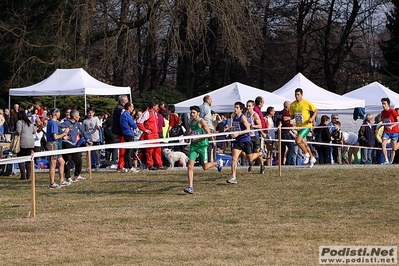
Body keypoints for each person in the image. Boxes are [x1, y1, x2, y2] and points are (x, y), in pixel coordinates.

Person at [183, 105, 223, 194]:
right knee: (190, 166)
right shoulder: (190, 122)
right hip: (193, 146)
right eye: (191, 112)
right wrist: (187, 137)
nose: (192, 114)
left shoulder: (202, 121)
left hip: (202, 146)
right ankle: (190, 187)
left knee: (205, 167)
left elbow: (208, 133)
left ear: (198, 113)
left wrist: (199, 138)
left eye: (193, 112)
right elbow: (189, 132)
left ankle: (217, 163)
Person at [227, 102, 263, 184]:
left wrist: (238, 133)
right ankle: (233, 177)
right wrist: (232, 133)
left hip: (246, 140)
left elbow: (248, 129)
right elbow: (235, 127)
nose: (235, 109)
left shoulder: (243, 118)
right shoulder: (234, 117)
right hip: (238, 141)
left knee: (250, 158)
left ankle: (260, 153)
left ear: (241, 109)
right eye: (235, 107)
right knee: (234, 158)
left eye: (237, 107)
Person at [59, 109, 93, 182]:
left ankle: (77, 175)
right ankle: (68, 177)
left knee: (79, 160)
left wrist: (88, 140)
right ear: (74, 116)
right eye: (78, 115)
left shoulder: (78, 124)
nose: (79, 116)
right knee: (67, 160)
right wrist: (63, 135)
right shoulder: (66, 123)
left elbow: (83, 132)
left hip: (74, 145)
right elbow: (58, 127)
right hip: (67, 143)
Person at [289, 88, 318, 167]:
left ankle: (306, 154)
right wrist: (290, 120)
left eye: (298, 94)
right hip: (299, 127)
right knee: (304, 144)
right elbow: (292, 116)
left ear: (302, 95)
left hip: (306, 126)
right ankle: (312, 158)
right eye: (295, 95)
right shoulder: (293, 105)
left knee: (298, 141)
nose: (297, 96)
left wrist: (312, 118)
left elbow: (316, 110)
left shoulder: (306, 103)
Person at [137, 101, 167, 170]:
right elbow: (139, 122)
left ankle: (159, 164)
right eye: (156, 106)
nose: (157, 107)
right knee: (149, 150)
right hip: (150, 135)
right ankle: (150, 165)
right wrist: (145, 130)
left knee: (158, 150)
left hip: (155, 134)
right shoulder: (146, 113)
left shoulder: (155, 113)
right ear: (153, 106)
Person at [46, 108, 70, 189]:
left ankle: (61, 180)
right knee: (53, 164)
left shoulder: (53, 122)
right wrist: (64, 134)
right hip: (52, 144)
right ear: (55, 114)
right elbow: (55, 136)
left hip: (55, 144)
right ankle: (52, 183)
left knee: (62, 162)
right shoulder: (53, 123)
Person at [245, 100, 265, 174]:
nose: (248, 107)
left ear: (253, 106)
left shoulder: (255, 114)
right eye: (247, 106)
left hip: (255, 136)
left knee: (257, 152)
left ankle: (262, 165)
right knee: (247, 153)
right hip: (248, 136)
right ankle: (251, 161)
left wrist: (252, 126)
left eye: (249, 106)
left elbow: (260, 126)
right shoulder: (245, 114)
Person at [15, 111, 36, 180]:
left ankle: (23, 175)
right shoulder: (30, 122)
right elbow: (34, 131)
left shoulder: (19, 122)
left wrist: (14, 133)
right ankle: (28, 175)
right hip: (31, 143)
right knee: (28, 160)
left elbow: (18, 131)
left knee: (20, 159)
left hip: (23, 142)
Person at [120, 101, 139, 172]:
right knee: (129, 151)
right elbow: (133, 124)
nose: (133, 108)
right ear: (129, 107)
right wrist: (134, 127)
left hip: (126, 133)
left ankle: (127, 166)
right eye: (132, 107)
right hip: (129, 134)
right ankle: (130, 167)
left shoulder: (122, 114)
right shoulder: (127, 115)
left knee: (127, 151)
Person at [379, 97, 399, 164]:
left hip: (394, 132)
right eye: (382, 103)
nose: (383, 105)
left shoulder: (392, 111)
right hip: (386, 131)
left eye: (384, 103)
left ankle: (391, 161)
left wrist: (392, 126)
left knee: (394, 148)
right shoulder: (383, 112)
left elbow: (398, 120)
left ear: (388, 104)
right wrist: (379, 127)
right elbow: (383, 121)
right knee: (383, 144)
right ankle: (386, 160)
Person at [112, 95, 129, 171]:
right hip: (121, 131)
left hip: (119, 130)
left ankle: (122, 164)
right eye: (127, 100)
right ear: (123, 101)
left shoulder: (117, 108)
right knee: (122, 148)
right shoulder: (121, 109)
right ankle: (121, 165)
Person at [278, 101, 296, 165]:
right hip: (286, 132)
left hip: (281, 133)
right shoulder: (285, 113)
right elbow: (286, 123)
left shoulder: (280, 113)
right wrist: (292, 125)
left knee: (282, 149)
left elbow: (278, 122)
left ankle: (281, 163)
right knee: (291, 148)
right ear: (287, 106)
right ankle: (288, 162)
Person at [199, 95, 215, 162]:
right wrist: (210, 128)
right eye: (211, 100)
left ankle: (202, 160)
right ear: (207, 100)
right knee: (209, 145)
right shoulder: (207, 108)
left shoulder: (199, 107)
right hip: (207, 128)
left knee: (201, 145)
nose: (211, 101)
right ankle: (208, 161)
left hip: (200, 128)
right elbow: (207, 119)